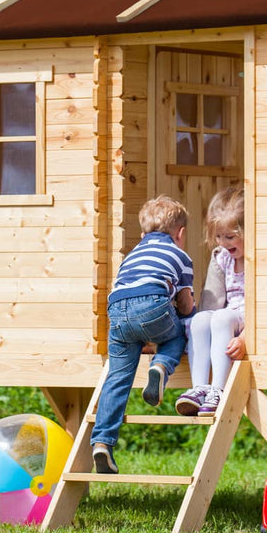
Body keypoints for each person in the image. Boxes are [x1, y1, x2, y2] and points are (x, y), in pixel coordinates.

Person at [91, 195, 195, 474]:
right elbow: (184, 306)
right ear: (180, 233)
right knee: (179, 334)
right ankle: (161, 365)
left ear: (142, 233)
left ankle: (102, 443)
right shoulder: (180, 255)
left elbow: (131, 298)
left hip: (117, 311)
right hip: (153, 306)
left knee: (117, 377)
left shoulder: (132, 255)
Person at [176, 185, 245, 418]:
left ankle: (218, 389)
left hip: (250, 320)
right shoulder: (223, 258)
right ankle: (200, 388)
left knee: (223, 316)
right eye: (218, 236)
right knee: (201, 319)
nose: (223, 242)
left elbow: (265, 309)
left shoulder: (258, 259)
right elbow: (211, 301)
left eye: (230, 236)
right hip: (229, 317)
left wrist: (247, 338)